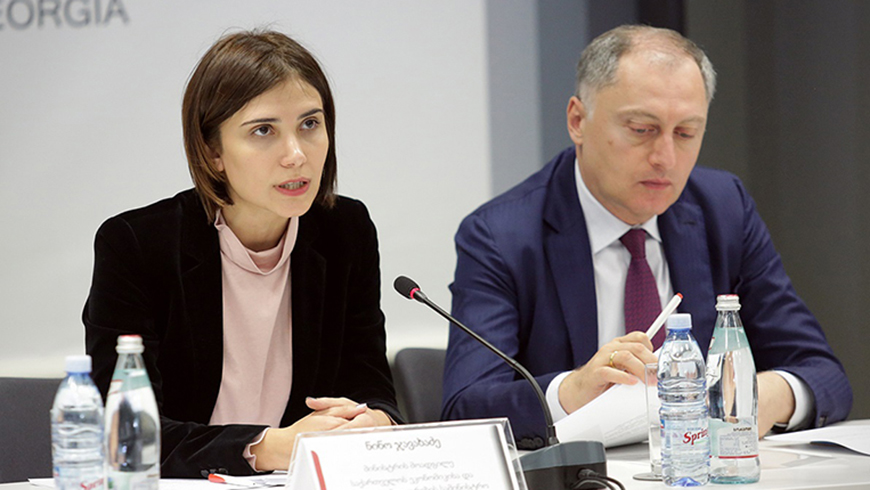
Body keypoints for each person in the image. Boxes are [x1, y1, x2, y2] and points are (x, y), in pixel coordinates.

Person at [442, 24, 852, 448]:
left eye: (686, 133)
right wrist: (572, 391)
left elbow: (822, 374)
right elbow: (465, 408)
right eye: (642, 129)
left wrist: (764, 395)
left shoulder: (724, 209)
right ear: (578, 120)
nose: (666, 158)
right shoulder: (501, 236)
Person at [83, 30, 401, 477]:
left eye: (310, 124)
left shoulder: (344, 231)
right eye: (263, 131)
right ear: (213, 150)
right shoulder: (137, 245)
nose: (296, 155)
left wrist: (376, 422)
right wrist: (265, 447)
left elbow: (369, 382)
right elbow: (125, 433)